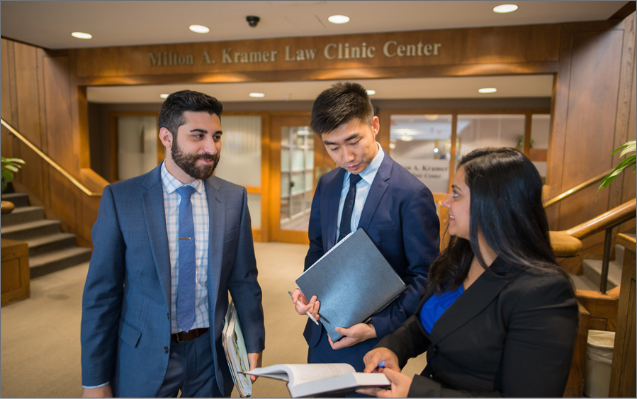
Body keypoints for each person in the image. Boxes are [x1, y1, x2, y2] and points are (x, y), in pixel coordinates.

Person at [81, 90, 265, 397]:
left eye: (216, 136)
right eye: (198, 135)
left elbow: (244, 279)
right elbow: (102, 295)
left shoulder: (233, 198)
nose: (211, 147)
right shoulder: (121, 199)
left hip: (211, 354)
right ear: (166, 137)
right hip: (144, 352)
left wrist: (254, 340)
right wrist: (95, 380)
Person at [360, 147, 579, 397]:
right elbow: (429, 321)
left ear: (494, 204)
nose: (445, 202)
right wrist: (393, 347)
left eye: (456, 194)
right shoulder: (461, 257)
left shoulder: (543, 292)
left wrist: (418, 393)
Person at [291, 82, 440, 372]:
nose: (346, 157)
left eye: (354, 141)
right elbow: (319, 248)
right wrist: (308, 290)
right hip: (322, 336)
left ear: (374, 126)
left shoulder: (410, 193)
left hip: (375, 341)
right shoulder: (328, 184)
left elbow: (425, 277)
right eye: (332, 147)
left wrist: (375, 329)